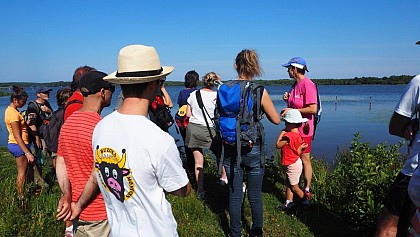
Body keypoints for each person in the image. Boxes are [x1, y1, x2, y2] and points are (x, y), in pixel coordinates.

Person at [70, 44, 191, 237]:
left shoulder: (102, 127)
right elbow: (181, 190)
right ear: (153, 85)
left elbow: (98, 173)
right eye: (161, 81)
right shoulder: (159, 140)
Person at [222, 49, 280, 237]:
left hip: (230, 144)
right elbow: (276, 120)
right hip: (252, 146)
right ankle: (256, 232)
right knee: (255, 193)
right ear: (255, 67)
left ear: (235, 65)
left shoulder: (224, 88)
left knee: (235, 193)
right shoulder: (259, 90)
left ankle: (235, 233)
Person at [56, 71, 115, 237]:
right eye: (112, 89)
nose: (113, 93)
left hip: (75, 210)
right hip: (98, 213)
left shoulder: (68, 123)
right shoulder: (101, 128)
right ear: (103, 92)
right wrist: (79, 205)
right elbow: (97, 175)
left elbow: (61, 161)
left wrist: (67, 195)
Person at [374, 73, 420, 237]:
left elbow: (395, 127)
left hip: (415, 171)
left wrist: (412, 124)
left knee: (388, 226)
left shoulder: (419, 82)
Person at [281, 57, 317, 202]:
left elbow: (313, 108)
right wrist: (287, 99)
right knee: (293, 157)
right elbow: (296, 103)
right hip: (293, 129)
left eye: (288, 68)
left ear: (295, 69)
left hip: (304, 128)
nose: (287, 71)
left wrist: (292, 109)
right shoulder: (295, 84)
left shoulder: (307, 85)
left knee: (304, 158)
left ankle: (306, 189)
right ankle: (294, 186)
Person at [185, 72, 220, 199]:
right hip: (210, 130)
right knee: (220, 155)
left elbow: (188, 114)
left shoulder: (194, 94)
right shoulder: (217, 95)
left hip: (194, 129)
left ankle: (200, 189)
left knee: (198, 162)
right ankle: (223, 178)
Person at [4, 86, 35, 201]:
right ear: (15, 100)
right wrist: (27, 153)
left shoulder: (12, 111)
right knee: (22, 172)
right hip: (18, 145)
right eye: (23, 101)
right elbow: (17, 135)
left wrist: (26, 123)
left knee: (29, 167)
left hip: (20, 144)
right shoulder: (13, 114)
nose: (24, 103)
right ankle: (20, 196)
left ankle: (29, 189)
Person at [276, 109, 309, 210]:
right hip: (295, 163)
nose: (285, 125)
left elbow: (278, 145)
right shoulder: (298, 135)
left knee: (294, 187)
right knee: (289, 184)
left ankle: (306, 201)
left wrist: (282, 133)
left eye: (286, 122)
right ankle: (289, 202)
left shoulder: (288, 136)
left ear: (291, 124)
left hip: (292, 165)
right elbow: (298, 152)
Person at [176, 70, 199, 180]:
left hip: (183, 122)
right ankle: (197, 170)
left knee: (186, 145)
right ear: (195, 81)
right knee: (196, 146)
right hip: (194, 122)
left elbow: (180, 105)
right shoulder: (197, 93)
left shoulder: (182, 93)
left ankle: (189, 169)